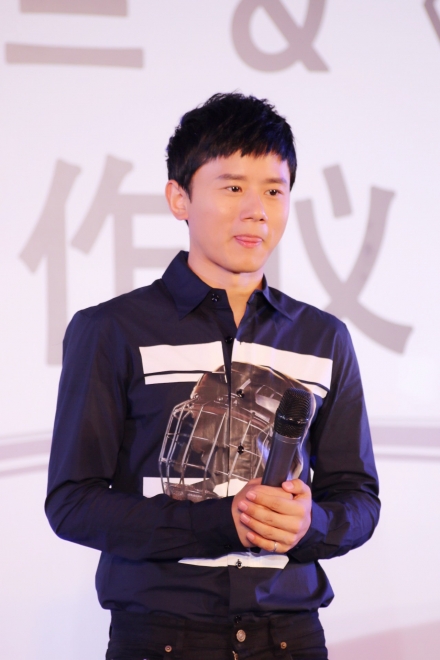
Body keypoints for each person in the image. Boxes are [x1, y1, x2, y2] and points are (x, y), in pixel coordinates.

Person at [46, 93, 380, 660]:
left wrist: (312, 522)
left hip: (291, 638)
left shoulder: (323, 337)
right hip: (161, 640)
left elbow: (359, 497)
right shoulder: (111, 329)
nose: (257, 211)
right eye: (232, 188)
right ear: (180, 197)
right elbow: (73, 502)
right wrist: (220, 522)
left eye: (273, 191)